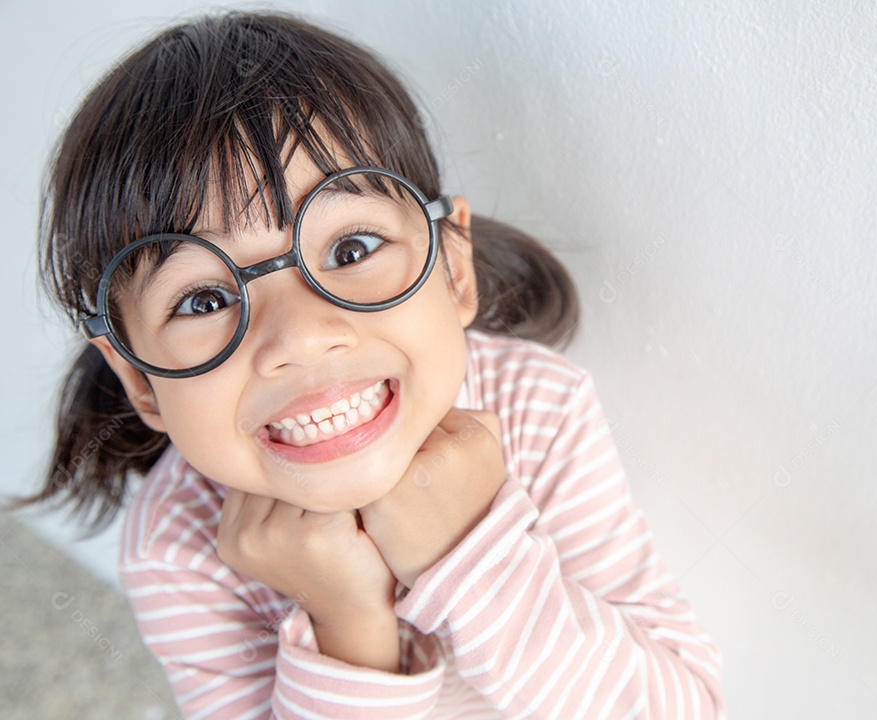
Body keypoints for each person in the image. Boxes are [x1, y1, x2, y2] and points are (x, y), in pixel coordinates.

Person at [22, 11, 724, 718]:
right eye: (204, 299)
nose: (298, 336)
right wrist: (346, 624)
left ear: (452, 268)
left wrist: (467, 553)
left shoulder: (538, 409)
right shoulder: (175, 545)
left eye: (351, 249)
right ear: (139, 377)